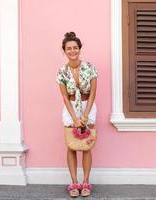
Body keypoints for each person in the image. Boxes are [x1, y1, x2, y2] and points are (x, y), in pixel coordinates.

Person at [56, 32, 98, 197]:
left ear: (80, 49)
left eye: (75, 48)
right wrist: (74, 117)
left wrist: (86, 114)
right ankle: (74, 182)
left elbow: (93, 92)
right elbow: (65, 97)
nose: (72, 51)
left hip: (88, 105)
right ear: (64, 51)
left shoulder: (90, 67)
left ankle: (86, 181)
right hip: (71, 108)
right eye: (68, 48)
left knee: (86, 146)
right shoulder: (61, 72)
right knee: (71, 145)